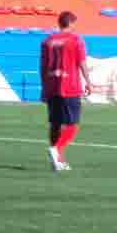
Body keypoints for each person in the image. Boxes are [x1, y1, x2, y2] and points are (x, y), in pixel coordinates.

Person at [40, 10, 91, 172]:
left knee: (55, 124)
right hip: (70, 86)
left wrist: (44, 87)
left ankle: (58, 161)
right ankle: (56, 150)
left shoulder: (47, 41)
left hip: (52, 86)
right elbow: (82, 61)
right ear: (71, 23)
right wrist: (88, 81)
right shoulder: (75, 40)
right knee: (72, 124)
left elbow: (42, 66)